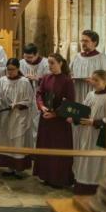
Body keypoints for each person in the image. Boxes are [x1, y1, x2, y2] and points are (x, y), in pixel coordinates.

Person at [33, 53, 75, 188]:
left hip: (59, 122)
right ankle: (46, 176)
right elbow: (39, 94)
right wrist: (42, 106)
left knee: (58, 149)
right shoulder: (46, 78)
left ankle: (58, 179)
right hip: (46, 119)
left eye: (52, 63)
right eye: (48, 63)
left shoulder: (67, 81)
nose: (49, 66)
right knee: (46, 147)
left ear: (60, 63)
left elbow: (70, 103)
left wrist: (55, 114)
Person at [0, 59, 34, 178]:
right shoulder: (2, 80)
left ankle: (18, 169)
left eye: (12, 69)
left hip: (19, 117)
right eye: (8, 69)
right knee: (7, 142)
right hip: (5, 116)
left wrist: (17, 105)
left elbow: (29, 100)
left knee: (17, 142)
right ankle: (10, 168)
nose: (10, 72)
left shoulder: (24, 82)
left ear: (18, 69)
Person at [73, 70, 106, 195]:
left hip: (99, 135)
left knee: (97, 162)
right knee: (84, 159)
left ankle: (95, 190)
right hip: (86, 134)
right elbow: (83, 110)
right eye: (92, 79)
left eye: (96, 80)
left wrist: (94, 122)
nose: (92, 82)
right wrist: (74, 116)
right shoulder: (90, 94)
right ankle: (82, 187)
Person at [19, 43, 50, 139]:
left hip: (40, 97)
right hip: (25, 96)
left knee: (37, 123)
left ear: (37, 54)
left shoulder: (45, 63)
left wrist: (37, 79)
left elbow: (50, 80)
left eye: (30, 57)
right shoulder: (21, 63)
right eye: (25, 57)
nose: (27, 60)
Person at [70, 30, 106, 104]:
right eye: (82, 41)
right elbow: (69, 72)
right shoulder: (76, 57)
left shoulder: (103, 58)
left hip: (95, 94)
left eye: (86, 41)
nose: (83, 43)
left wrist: (95, 81)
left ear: (94, 42)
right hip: (78, 90)